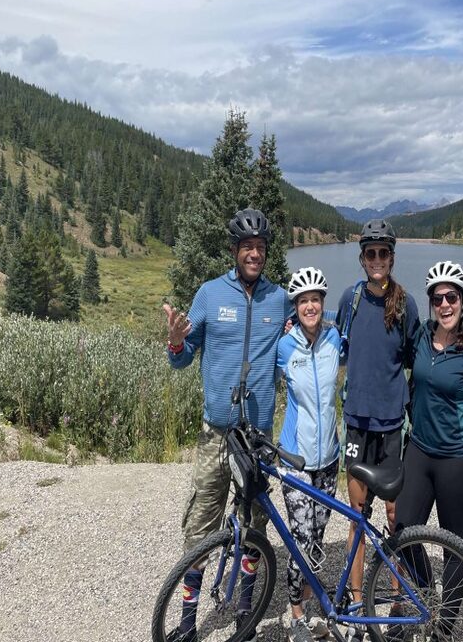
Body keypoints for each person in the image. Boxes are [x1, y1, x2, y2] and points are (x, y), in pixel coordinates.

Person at [163, 208, 291, 642]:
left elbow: (297, 346)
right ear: (235, 251)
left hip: (256, 438)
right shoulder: (210, 294)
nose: (254, 254)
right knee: (201, 526)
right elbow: (181, 359)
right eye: (247, 247)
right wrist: (177, 341)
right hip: (216, 433)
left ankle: (244, 613)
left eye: (260, 248)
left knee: (253, 525)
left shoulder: (279, 299)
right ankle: (186, 622)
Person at [336, 219, 420, 640]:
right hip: (356, 423)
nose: (377, 260)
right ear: (362, 258)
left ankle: (397, 598)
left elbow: (412, 357)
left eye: (383, 253)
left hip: (391, 425)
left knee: (394, 516)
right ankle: (355, 601)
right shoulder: (350, 299)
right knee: (356, 516)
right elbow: (339, 346)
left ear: (392, 256)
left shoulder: (406, 305)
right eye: (370, 253)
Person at [391, 261, 463, 639]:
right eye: (438, 298)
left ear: (462, 300)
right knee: (401, 531)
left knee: (454, 546)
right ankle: (429, 596)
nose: (445, 304)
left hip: (457, 459)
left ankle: (444, 628)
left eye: (452, 297)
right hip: (419, 450)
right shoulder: (422, 338)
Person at [277, 267, 342, 642]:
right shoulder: (285, 346)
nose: (310, 306)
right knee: (300, 539)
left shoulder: (334, 338)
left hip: (330, 459)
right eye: (303, 301)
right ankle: (297, 614)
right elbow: (261, 378)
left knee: (317, 536)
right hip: (296, 461)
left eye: (315, 299)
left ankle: (308, 599)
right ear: (295, 307)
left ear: (322, 303)